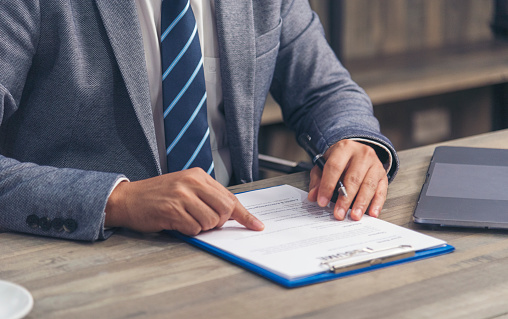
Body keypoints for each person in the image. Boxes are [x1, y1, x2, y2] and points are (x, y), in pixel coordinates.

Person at [0, 0, 399, 241]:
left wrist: (354, 141)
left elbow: (325, 91)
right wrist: (117, 201)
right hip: (84, 252)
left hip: (243, 239)